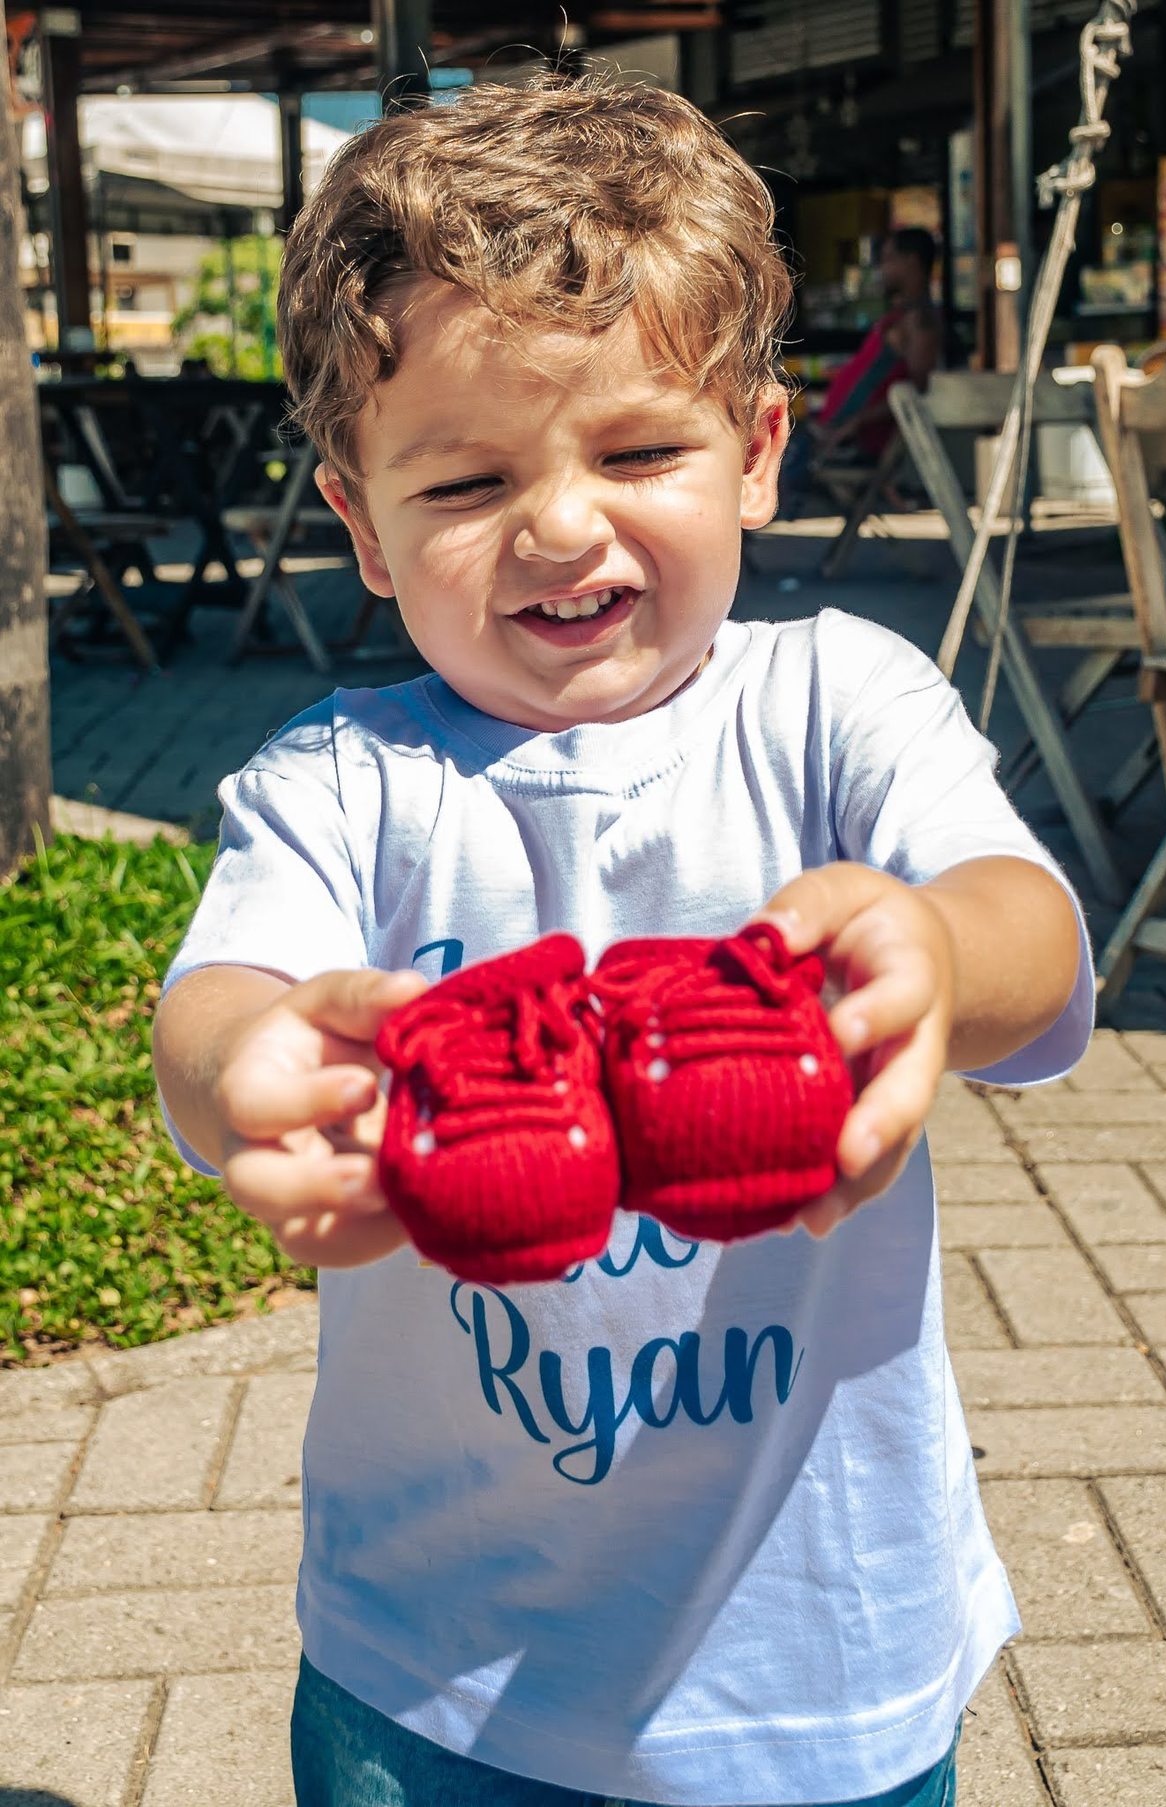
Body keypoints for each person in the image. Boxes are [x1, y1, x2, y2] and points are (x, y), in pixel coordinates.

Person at [152, 74, 1091, 1807]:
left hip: (820, 1651)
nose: (563, 526)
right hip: (431, 1668)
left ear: (758, 451)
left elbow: (1024, 924)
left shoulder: (838, 706)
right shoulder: (340, 784)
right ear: (360, 523)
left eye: (641, 451)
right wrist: (251, 1071)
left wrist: (938, 958)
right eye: (466, 480)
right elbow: (221, 1009)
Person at [777, 227, 943, 518]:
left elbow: (916, 394)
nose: (882, 269)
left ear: (912, 261)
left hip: (852, 442)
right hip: (835, 433)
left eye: (889, 259)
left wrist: (854, 424)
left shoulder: (920, 322)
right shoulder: (901, 317)